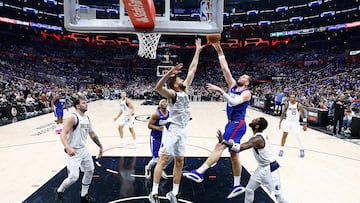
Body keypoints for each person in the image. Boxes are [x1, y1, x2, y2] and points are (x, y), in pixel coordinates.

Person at [182, 42, 252, 199]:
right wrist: (219, 50)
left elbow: (234, 102)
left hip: (237, 124)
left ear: (247, 83)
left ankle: (199, 172)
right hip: (231, 123)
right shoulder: (233, 86)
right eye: (241, 76)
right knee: (234, 155)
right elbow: (225, 69)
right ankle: (237, 185)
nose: (240, 77)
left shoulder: (247, 93)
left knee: (220, 145)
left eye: (244, 77)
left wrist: (220, 90)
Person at [148, 38, 205, 203]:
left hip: (183, 130)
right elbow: (158, 88)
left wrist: (198, 50)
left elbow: (193, 69)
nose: (182, 79)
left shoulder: (184, 90)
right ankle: (154, 192)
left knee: (180, 161)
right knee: (164, 159)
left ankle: (174, 193)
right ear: (174, 85)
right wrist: (169, 73)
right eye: (179, 79)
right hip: (172, 130)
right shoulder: (172, 94)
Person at [217, 117, 289, 203]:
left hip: (270, 170)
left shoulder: (257, 139)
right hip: (261, 168)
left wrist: (224, 141)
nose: (253, 119)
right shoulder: (260, 136)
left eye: (256, 120)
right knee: (249, 189)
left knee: (279, 197)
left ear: (257, 126)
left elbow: (239, 148)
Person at [55, 97, 103, 203]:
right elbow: (62, 134)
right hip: (73, 151)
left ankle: (84, 195)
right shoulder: (73, 118)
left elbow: (92, 134)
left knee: (90, 170)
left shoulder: (87, 118)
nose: (86, 104)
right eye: (84, 103)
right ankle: (59, 191)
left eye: (86, 102)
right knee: (73, 177)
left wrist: (100, 146)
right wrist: (68, 147)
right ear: (77, 106)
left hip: (83, 149)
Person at [145, 99, 173, 179]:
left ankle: (162, 168)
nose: (164, 102)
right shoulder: (156, 114)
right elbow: (149, 125)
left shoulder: (170, 114)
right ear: (159, 104)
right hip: (155, 137)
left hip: (165, 138)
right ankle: (148, 168)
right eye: (162, 101)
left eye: (165, 101)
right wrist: (158, 128)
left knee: (171, 155)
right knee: (156, 158)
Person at [278, 94, 307, 158]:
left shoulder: (299, 105)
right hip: (288, 121)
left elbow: (303, 115)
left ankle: (301, 149)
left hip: (295, 123)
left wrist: (305, 124)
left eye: (292, 97)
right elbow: (283, 113)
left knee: (297, 136)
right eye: (290, 97)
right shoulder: (287, 104)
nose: (291, 98)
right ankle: (281, 149)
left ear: (295, 99)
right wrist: (280, 122)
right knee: (284, 135)